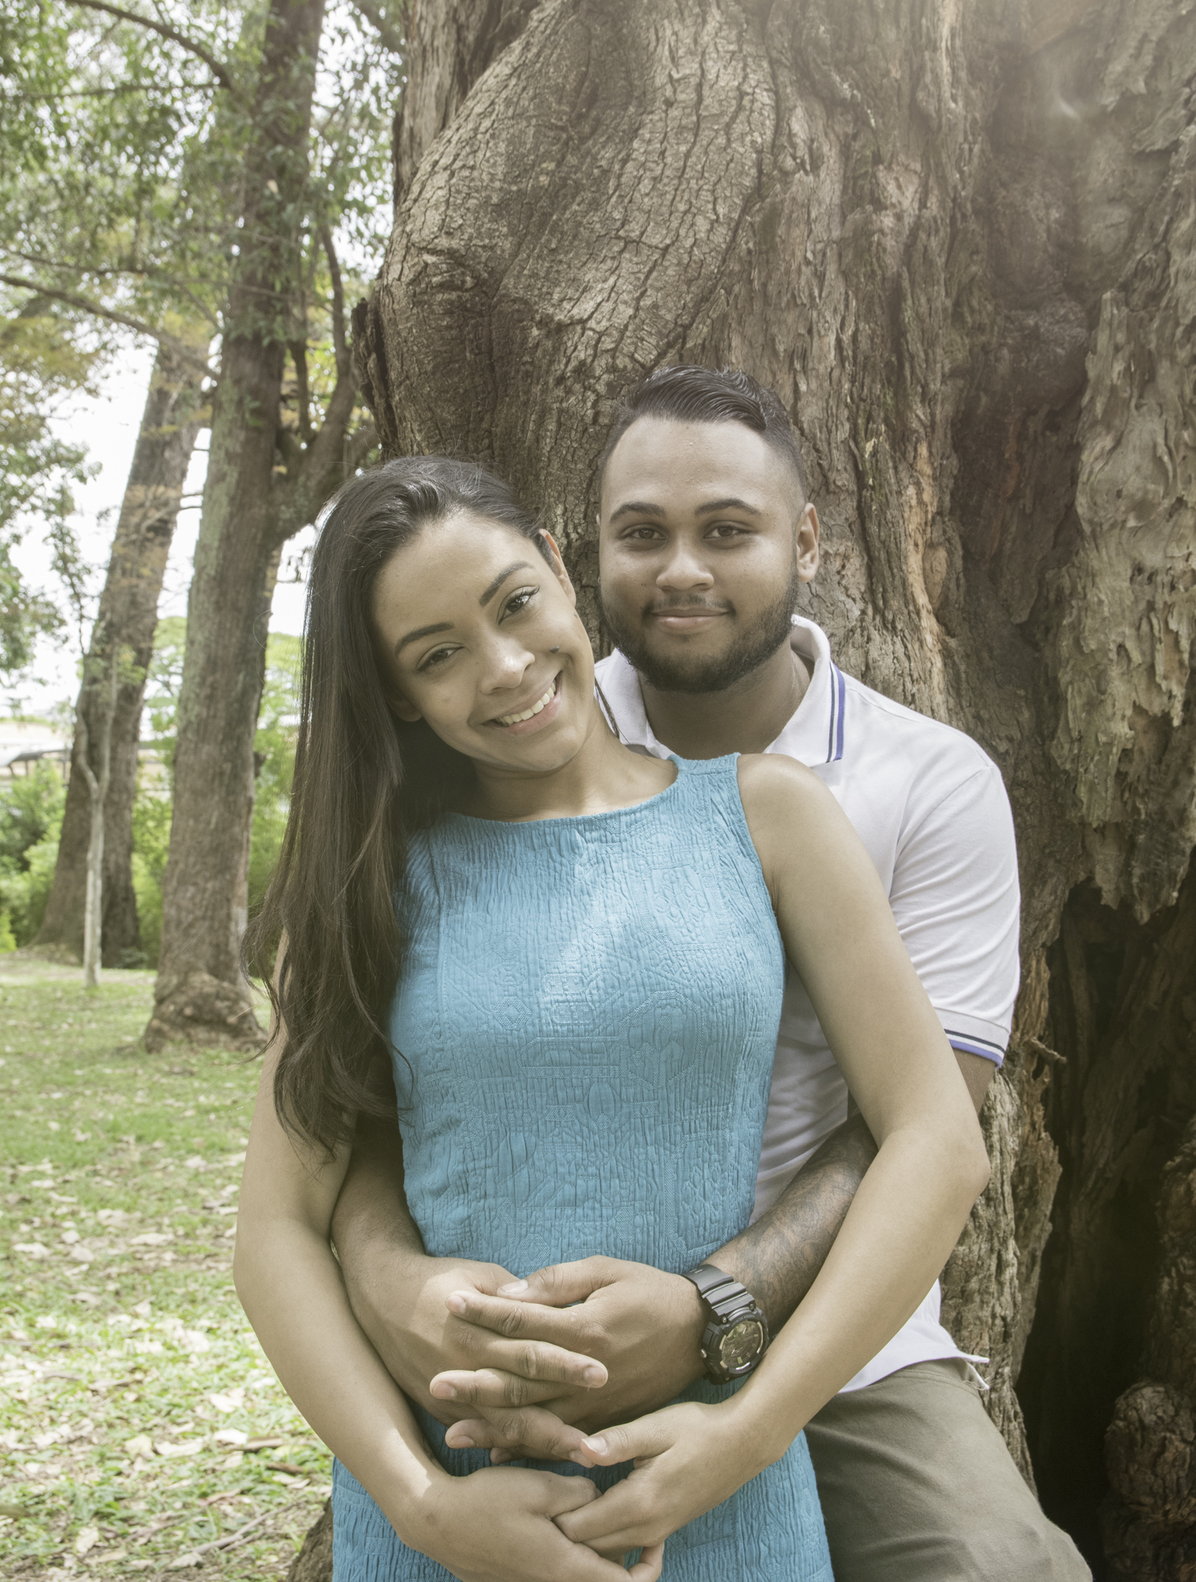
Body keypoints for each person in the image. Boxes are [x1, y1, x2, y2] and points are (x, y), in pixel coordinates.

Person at [330, 370, 1092, 1581]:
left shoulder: (920, 782)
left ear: (805, 539)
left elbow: (929, 1117)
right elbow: (387, 1088)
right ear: (582, 556)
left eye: (726, 530)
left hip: (832, 1310)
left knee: (995, 1564)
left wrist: (714, 1308)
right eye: (642, 533)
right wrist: (385, 1281)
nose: (681, 568)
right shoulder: (516, 731)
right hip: (529, 1326)